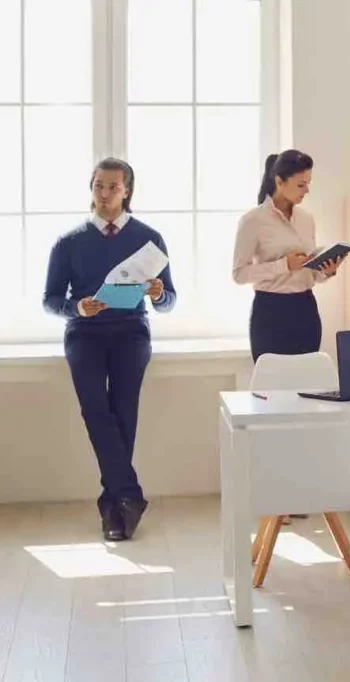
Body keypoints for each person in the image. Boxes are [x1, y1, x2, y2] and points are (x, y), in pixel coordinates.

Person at [43, 157, 177, 542]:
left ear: (127, 191)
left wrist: (158, 292)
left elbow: (169, 302)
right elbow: (50, 300)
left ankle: (113, 505)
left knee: (124, 413)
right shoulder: (68, 242)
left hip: (131, 331)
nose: (104, 194)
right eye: (98, 186)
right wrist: (78, 307)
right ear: (91, 188)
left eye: (113, 187)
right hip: (84, 333)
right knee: (95, 411)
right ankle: (128, 496)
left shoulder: (150, 238)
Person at [233, 150, 342, 363]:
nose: (307, 190)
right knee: (272, 387)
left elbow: (309, 274)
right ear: (279, 182)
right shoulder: (252, 220)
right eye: (301, 185)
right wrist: (284, 265)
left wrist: (326, 272)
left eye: (308, 183)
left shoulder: (306, 219)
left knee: (307, 386)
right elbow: (239, 274)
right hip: (270, 313)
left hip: (306, 309)